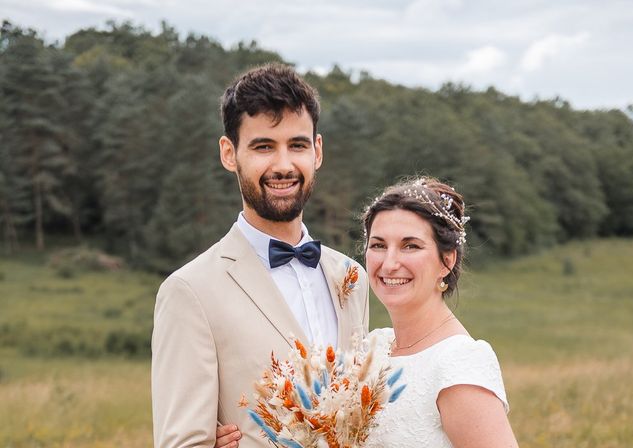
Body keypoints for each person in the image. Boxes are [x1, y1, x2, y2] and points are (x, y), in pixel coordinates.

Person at [151, 63, 369, 448]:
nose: (283, 165)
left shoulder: (351, 277)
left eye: (297, 145)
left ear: (317, 151)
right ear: (229, 153)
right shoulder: (189, 291)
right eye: (264, 146)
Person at [216, 176, 518, 448]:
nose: (389, 263)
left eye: (410, 246)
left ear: (446, 261)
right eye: (378, 245)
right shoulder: (372, 349)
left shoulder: (458, 364)